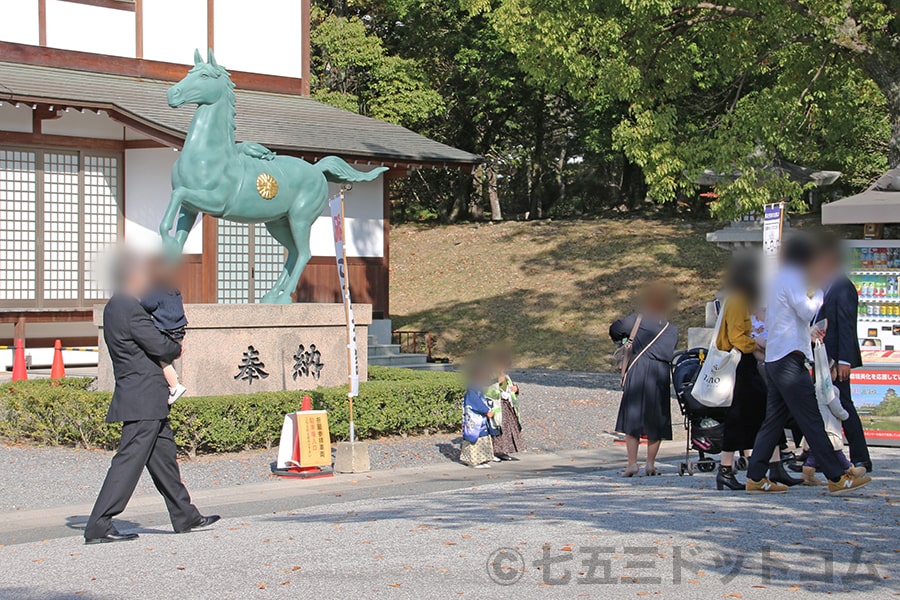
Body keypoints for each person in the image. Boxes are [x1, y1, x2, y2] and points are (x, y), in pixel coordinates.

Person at [84, 252, 219, 544]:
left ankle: (185, 514)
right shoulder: (127, 307)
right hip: (142, 396)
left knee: (164, 458)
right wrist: (175, 346)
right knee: (128, 462)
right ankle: (99, 523)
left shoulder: (117, 306)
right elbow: (160, 345)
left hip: (146, 396)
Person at [745, 235, 871, 494]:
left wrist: (809, 330)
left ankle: (755, 476)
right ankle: (837, 476)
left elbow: (788, 317)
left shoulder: (777, 278)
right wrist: (821, 293)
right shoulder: (792, 277)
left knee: (774, 420)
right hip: (791, 359)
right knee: (812, 418)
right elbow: (805, 310)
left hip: (776, 357)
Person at [815, 236, 872, 473]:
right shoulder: (825, 288)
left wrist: (844, 360)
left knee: (843, 405)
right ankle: (819, 456)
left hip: (837, 357)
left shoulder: (843, 287)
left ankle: (861, 457)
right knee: (826, 406)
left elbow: (847, 325)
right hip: (824, 356)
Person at [714, 257, 772, 490]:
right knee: (745, 415)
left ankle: (740, 466)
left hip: (742, 364)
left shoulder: (734, 298)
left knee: (752, 413)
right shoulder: (738, 300)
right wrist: (756, 344)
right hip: (740, 364)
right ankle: (729, 468)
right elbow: (738, 337)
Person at [610, 284, 679, 477]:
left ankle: (632, 463)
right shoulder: (671, 330)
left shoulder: (637, 321)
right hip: (660, 375)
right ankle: (650, 463)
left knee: (632, 417)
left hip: (639, 371)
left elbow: (615, 329)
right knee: (656, 419)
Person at [140, 259, 188, 404]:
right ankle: (173, 378)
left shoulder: (156, 291)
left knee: (163, 359)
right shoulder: (175, 291)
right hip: (179, 330)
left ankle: (175, 386)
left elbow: (146, 304)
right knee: (170, 355)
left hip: (166, 330)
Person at [486, 352, 523, 461]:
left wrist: (516, 389)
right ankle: (494, 451)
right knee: (497, 427)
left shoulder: (506, 376)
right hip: (497, 405)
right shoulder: (491, 374)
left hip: (507, 406)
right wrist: (497, 382)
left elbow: (511, 388)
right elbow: (487, 389)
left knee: (508, 428)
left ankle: (504, 450)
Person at [460, 364, 497, 469]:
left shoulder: (478, 387)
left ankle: (482, 459)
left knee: (483, 437)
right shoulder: (472, 388)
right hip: (475, 418)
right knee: (474, 438)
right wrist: (486, 411)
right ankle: (473, 461)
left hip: (481, 419)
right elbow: (475, 403)